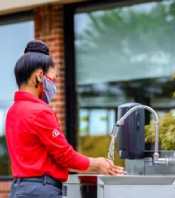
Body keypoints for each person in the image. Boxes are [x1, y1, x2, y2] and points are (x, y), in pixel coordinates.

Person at [5, 40, 124, 198]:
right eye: (53, 79)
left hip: (19, 189)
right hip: (41, 191)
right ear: (39, 76)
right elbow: (65, 155)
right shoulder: (40, 111)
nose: (54, 85)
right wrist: (97, 164)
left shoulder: (12, 111)